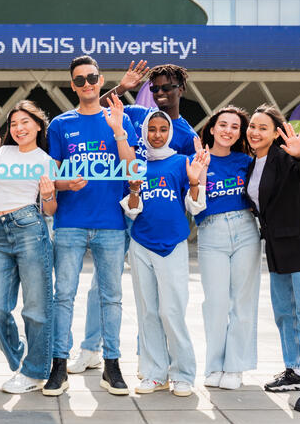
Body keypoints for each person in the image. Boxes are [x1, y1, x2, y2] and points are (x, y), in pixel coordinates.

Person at [69, 61, 201, 374]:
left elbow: (189, 181)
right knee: (101, 284)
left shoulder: (186, 135)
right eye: (154, 88)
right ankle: (90, 349)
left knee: (154, 295)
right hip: (122, 208)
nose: (160, 93)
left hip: (153, 220)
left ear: (181, 89)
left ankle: (148, 358)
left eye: (167, 87)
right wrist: (123, 87)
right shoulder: (140, 115)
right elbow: (96, 107)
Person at [42, 55, 138, 397]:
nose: (87, 84)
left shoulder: (119, 118)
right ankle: (58, 365)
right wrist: (65, 184)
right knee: (63, 296)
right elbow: (51, 177)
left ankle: (112, 365)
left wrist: (119, 130)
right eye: (80, 80)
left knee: (111, 298)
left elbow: (132, 171)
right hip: (70, 222)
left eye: (92, 78)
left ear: (101, 80)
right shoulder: (60, 125)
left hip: (110, 223)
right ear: (73, 85)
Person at [246, 104, 300, 412]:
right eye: (252, 126)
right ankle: (295, 371)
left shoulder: (286, 156)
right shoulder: (253, 163)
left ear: (275, 133)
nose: (255, 132)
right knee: (285, 314)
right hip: (277, 250)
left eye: (263, 128)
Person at [123, 111, 208, 396]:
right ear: (144, 132)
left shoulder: (182, 162)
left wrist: (194, 182)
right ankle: (155, 374)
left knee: (171, 311)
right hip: (141, 244)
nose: (157, 135)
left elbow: (195, 207)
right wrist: (134, 190)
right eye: (152, 129)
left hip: (172, 245)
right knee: (147, 312)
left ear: (170, 132)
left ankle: (183, 374)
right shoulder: (136, 165)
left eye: (162, 129)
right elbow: (132, 211)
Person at [0, 101, 57, 394]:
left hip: (30, 229)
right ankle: (23, 355)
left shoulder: (46, 160)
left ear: (38, 125)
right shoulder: (2, 153)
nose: (19, 128)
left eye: (25, 122)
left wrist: (48, 195)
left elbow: (50, 209)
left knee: (36, 307)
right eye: (13, 124)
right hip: (1, 233)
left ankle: (34, 372)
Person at [196, 107, 260, 390]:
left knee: (242, 302)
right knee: (216, 303)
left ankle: (235, 367)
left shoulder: (247, 162)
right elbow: (193, 205)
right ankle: (214, 366)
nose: (228, 131)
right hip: (211, 231)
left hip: (245, 229)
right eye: (223, 125)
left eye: (235, 127)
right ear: (212, 129)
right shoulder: (197, 160)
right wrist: (200, 172)